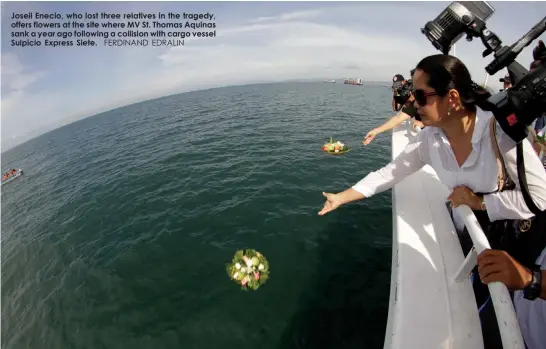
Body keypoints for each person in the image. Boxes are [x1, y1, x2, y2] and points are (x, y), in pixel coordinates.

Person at [318, 54, 546, 347]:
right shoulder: (431, 140)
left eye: (421, 95)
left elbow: (540, 198)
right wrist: (341, 197)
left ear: (451, 98)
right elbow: (391, 172)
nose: (412, 102)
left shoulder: (498, 131)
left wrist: (479, 202)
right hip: (484, 234)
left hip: (525, 236)